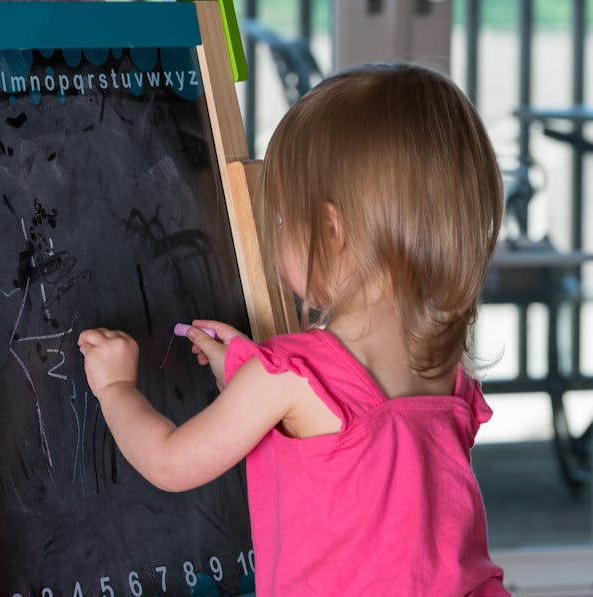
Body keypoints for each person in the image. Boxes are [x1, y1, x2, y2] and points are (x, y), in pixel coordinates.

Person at [78, 62, 510, 595]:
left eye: (283, 220)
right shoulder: (446, 373)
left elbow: (171, 461)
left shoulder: (291, 376)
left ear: (331, 229)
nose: (277, 233)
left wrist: (116, 388)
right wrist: (248, 376)